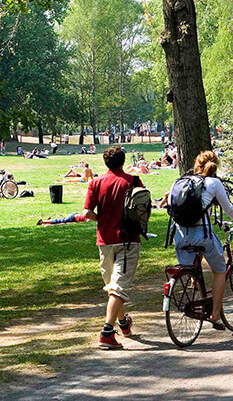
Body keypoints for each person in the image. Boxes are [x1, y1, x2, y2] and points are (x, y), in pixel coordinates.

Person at [171, 151, 233, 331]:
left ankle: (193, 280)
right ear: (216, 165)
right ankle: (215, 315)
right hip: (201, 234)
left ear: (196, 164)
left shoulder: (182, 181)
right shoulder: (214, 183)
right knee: (220, 271)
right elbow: (227, 207)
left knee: (192, 266)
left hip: (179, 235)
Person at [81, 146, 143, 350]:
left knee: (114, 287)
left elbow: (87, 212)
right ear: (123, 161)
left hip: (105, 240)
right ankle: (107, 332)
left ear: (105, 162)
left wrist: (103, 219)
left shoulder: (95, 183)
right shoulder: (132, 181)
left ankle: (124, 323)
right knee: (117, 288)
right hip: (128, 240)